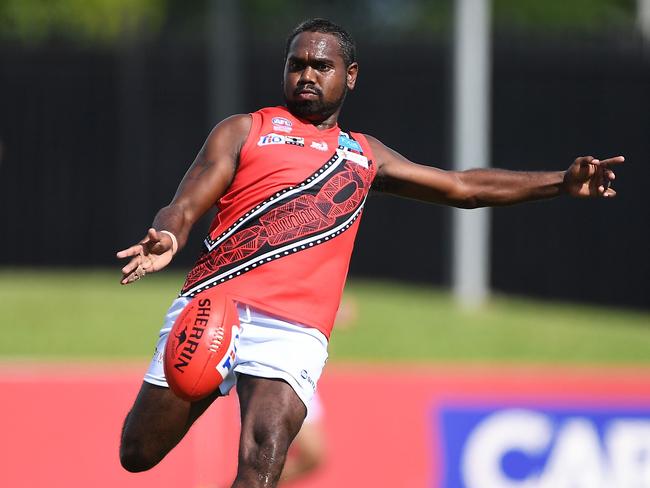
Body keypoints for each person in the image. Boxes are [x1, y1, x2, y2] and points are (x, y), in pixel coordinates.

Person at [116, 18, 623, 488]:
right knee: (138, 451)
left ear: (350, 75)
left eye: (322, 65)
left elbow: (462, 186)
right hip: (213, 308)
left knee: (263, 455)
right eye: (297, 64)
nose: (307, 75)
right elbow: (183, 205)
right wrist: (169, 234)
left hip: (292, 330)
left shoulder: (363, 155)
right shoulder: (245, 130)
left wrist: (559, 182)